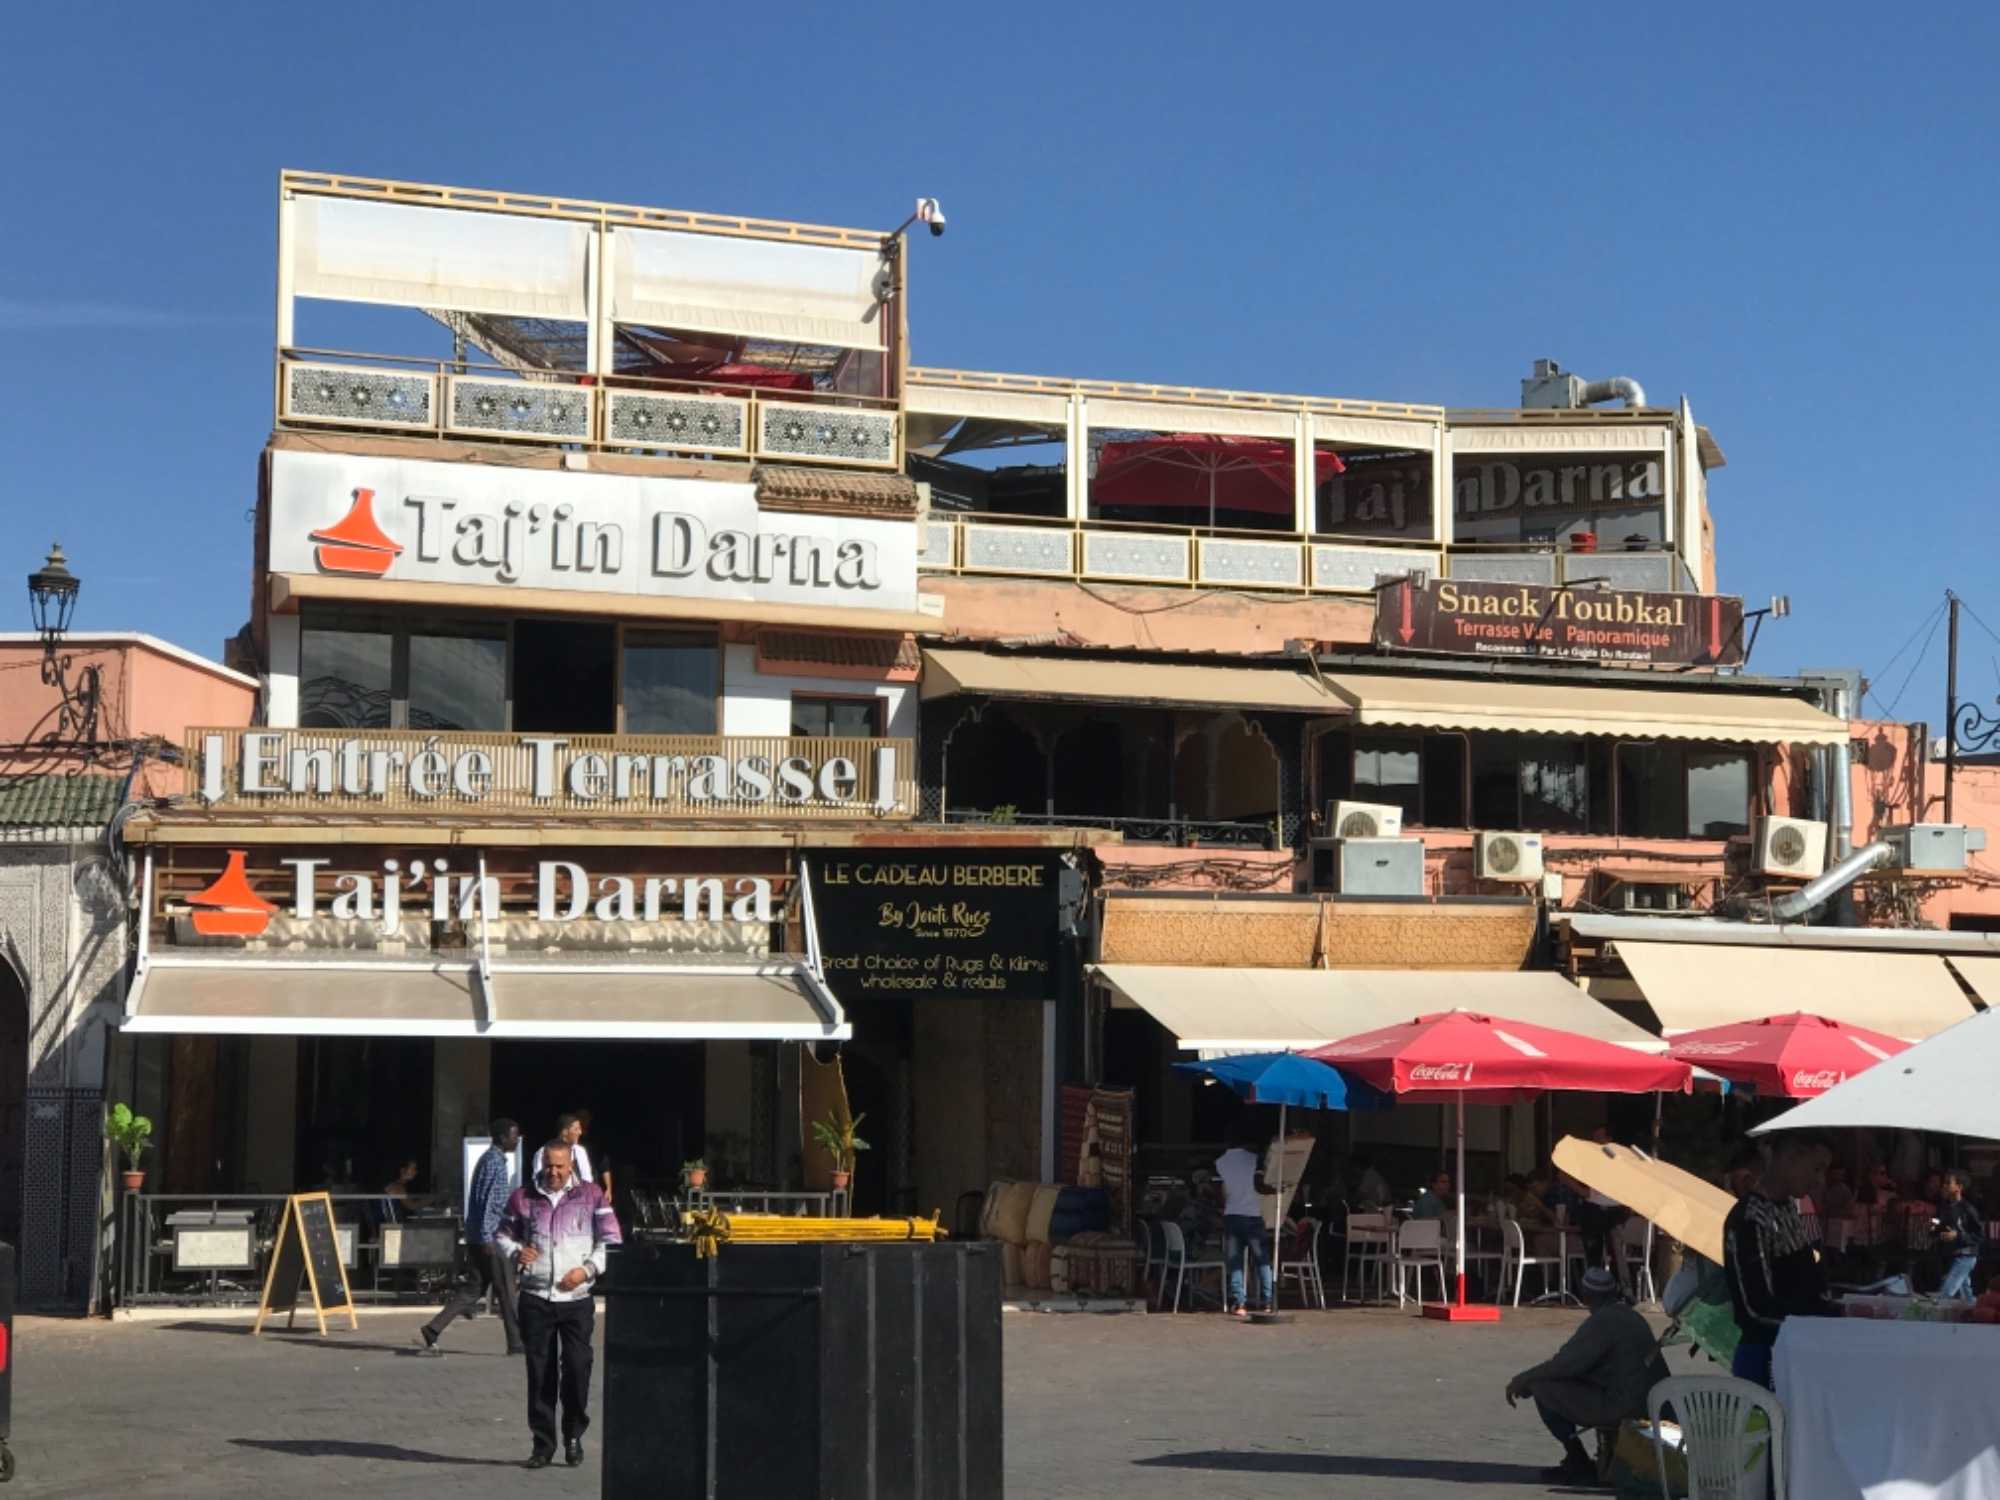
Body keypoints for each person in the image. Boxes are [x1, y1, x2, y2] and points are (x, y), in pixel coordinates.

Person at [496, 1138, 623, 1468]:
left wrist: (587, 1270)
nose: (553, 1172)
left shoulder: (591, 1195)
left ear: (571, 1166)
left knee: (578, 1367)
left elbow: (612, 1239)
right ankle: (543, 1444)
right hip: (536, 1297)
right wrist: (517, 1251)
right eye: (548, 1166)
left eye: (560, 1166)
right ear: (541, 1164)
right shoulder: (523, 1197)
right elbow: (502, 1235)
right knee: (540, 1373)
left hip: (576, 1299)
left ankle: (574, 1434)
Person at [1504, 1267, 1671, 1484]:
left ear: (1586, 1296)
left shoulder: (1603, 1321)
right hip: (1651, 1402)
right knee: (1555, 1379)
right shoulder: (1630, 1316)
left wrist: (1523, 1379)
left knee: (1541, 1385)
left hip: (1627, 1406)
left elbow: (1564, 1365)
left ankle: (1577, 1460)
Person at [1722, 1135, 1836, 1390]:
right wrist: (1821, 1320)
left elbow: (1809, 1284)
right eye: (1816, 1168)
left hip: (1798, 1354)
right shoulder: (1750, 1217)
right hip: (1766, 1360)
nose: (1819, 1180)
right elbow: (1754, 1309)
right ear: (1790, 1157)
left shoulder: (1788, 1208)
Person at [417, 1119, 525, 1357]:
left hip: (477, 1235)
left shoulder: (487, 1159)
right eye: (513, 1136)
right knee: (507, 1291)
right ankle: (516, 1342)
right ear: (502, 1138)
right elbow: (490, 1204)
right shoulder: (495, 1163)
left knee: (473, 1289)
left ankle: (433, 1329)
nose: (517, 1140)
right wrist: (488, 1237)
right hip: (491, 1237)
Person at [1214, 1124, 1276, 1318]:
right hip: (1253, 1215)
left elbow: (1222, 1192)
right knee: (1262, 1260)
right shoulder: (1255, 1159)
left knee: (1235, 1262)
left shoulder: (1220, 1162)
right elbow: (1261, 1185)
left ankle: (1239, 1303)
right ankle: (1268, 1302)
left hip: (1232, 1215)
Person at [1934, 1169, 1983, 1301]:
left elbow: (1979, 1235)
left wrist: (1958, 1236)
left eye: (1948, 1183)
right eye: (1944, 1183)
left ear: (1959, 1187)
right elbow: (1937, 1223)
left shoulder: (1967, 1209)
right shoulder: (1943, 1206)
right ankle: (1973, 1309)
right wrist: (1935, 1229)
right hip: (1951, 1254)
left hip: (1966, 1256)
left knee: (1946, 1292)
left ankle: (1937, 1312)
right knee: (1965, 1294)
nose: (1944, 1186)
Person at [531, 1113, 595, 1183]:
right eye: (576, 1129)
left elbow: (587, 1178)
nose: (580, 1132)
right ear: (564, 1132)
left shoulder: (580, 1151)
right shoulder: (543, 1152)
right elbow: (538, 1181)